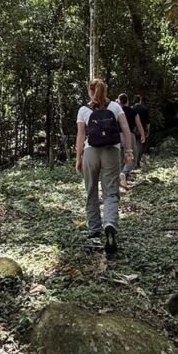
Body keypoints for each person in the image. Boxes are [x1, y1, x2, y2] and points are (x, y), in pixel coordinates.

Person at [76, 79, 134, 253]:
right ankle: (109, 223)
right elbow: (125, 128)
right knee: (110, 191)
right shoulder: (115, 108)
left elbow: (80, 137)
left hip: (91, 152)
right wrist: (128, 151)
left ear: (89, 91)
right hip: (111, 151)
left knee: (91, 190)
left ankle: (94, 229)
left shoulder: (83, 110)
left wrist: (78, 157)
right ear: (105, 90)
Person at [117, 93, 145, 188]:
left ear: (119, 101)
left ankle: (121, 179)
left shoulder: (116, 111)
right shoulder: (133, 112)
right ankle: (124, 173)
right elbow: (139, 124)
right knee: (132, 157)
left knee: (120, 158)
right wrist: (143, 135)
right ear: (127, 101)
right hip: (130, 135)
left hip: (117, 136)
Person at [132, 95, 150, 169]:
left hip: (132, 129)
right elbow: (148, 123)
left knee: (133, 146)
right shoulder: (144, 109)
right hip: (142, 129)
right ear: (140, 100)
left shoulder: (131, 109)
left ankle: (133, 163)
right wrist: (147, 131)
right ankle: (137, 162)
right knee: (140, 146)